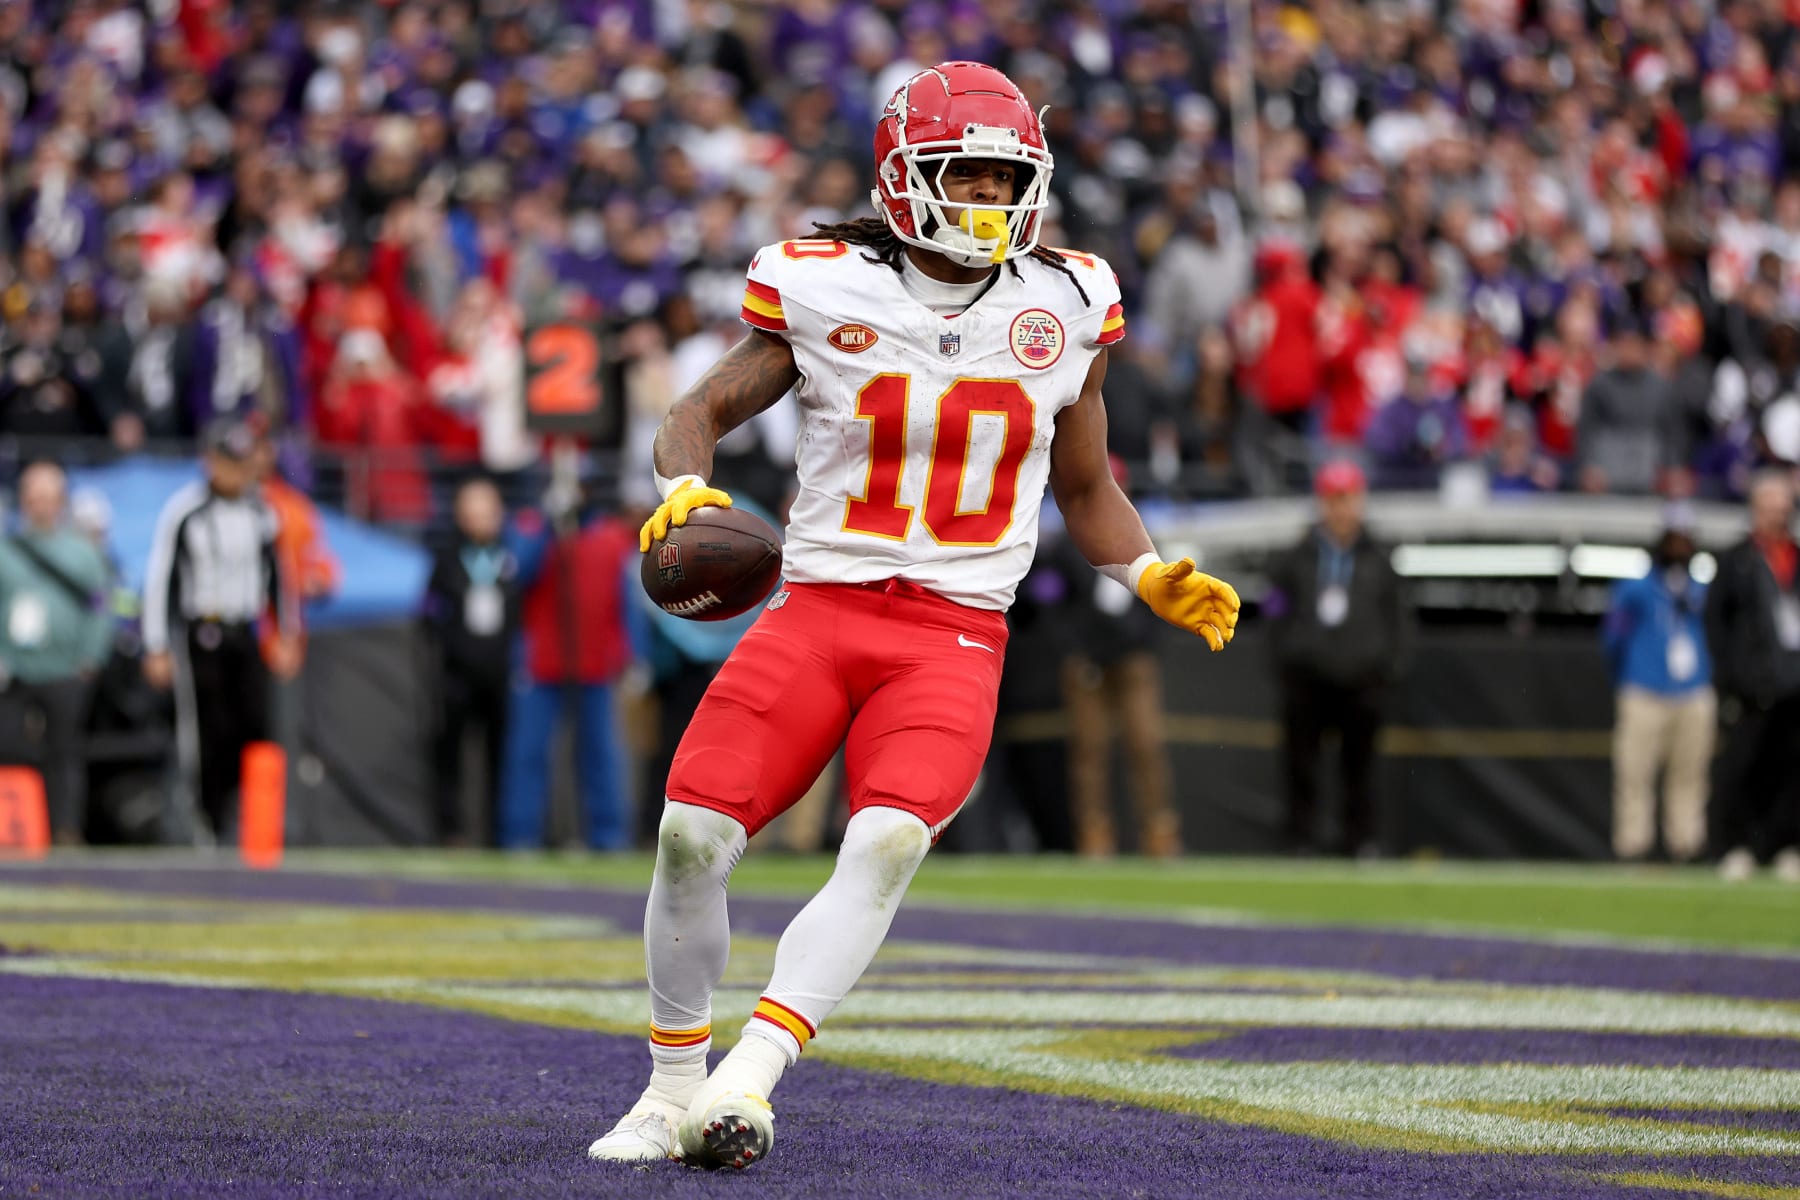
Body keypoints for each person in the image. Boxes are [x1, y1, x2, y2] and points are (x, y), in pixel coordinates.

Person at [587, 63, 1240, 1170]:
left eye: (1005, 179)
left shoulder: (1067, 300)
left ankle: (749, 1077)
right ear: (902, 177)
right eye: (965, 174)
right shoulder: (824, 284)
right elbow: (699, 408)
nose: (988, 198)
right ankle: (669, 1086)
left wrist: (1144, 571)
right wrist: (684, 487)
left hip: (954, 629)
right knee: (690, 836)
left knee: (886, 840)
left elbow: (1085, 486)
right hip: (818, 610)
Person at [141, 419, 299, 842]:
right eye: (229, 462)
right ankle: (205, 819)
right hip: (203, 632)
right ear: (210, 461)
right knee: (207, 730)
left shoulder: (262, 511)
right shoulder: (185, 511)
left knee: (253, 725)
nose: (236, 471)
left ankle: (249, 819)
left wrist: (287, 632)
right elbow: (161, 579)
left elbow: (278, 576)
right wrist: (157, 644)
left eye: (242, 462)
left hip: (245, 630)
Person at [1264, 460, 1410, 858]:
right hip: (1307, 676)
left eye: (1347, 499)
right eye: (1334, 499)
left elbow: (1398, 618)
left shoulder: (1380, 556)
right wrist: (1285, 661)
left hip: (1362, 678)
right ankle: (1300, 840)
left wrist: (1388, 667)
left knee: (1359, 766)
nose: (1341, 509)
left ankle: (1359, 840)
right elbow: (1275, 611)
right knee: (1301, 764)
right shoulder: (1295, 556)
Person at [495, 481, 644, 851]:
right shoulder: (531, 528)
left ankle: (609, 837)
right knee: (529, 753)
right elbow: (517, 572)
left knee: (601, 755)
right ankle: (521, 835)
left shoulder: (611, 539)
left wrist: (634, 656)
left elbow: (628, 603)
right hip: (541, 663)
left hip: (595, 664)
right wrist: (548, 524)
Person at [0, 463, 114, 845]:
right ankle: (14, 828)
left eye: (48, 497)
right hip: (15, 668)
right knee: (9, 745)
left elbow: (100, 607)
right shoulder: (7, 551)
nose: (41, 505)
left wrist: (90, 657)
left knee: (65, 751)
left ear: (61, 501)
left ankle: (65, 829)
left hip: (66, 669)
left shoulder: (82, 552)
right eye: (34, 497)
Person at [1601, 508, 1715, 863]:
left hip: (1693, 690)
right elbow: (1613, 638)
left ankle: (1687, 844)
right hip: (1644, 689)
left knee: (1690, 774)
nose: (1679, 548)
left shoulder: (1701, 590)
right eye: (1674, 540)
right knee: (1635, 773)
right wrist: (1626, 676)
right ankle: (1633, 846)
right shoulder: (1635, 589)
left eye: (1685, 540)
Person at [1705, 471, 1800, 882]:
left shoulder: (1795, 555)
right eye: (1770, 507)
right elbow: (1716, 624)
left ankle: (1785, 846)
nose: (1777, 514)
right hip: (1750, 686)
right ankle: (1738, 846)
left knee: (1791, 770)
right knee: (1741, 768)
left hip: (1793, 683)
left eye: (1783, 507)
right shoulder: (1736, 561)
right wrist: (1729, 677)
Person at [423, 478, 518, 846]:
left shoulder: (511, 557)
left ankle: (498, 832)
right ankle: (450, 830)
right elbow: (429, 611)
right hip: (457, 673)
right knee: (449, 753)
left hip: (499, 673)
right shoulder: (447, 560)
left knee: (500, 755)